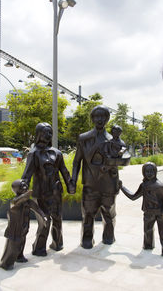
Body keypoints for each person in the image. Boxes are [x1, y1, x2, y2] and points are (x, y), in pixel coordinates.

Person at [72, 105, 121, 249]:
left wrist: (117, 182)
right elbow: (76, 162)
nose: (100, 119)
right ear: (92, 119)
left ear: (107, 119)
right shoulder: (84, 138)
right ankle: (87, 238)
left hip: (109, 183)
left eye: (103, 116)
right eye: (96, 116)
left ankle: (109, 236)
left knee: (109, 212)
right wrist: (73, 180)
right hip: (90, 183)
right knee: (88, 213)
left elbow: (119, 162)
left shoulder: (114, 139)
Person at [22, 122, 74, 256]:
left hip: (56, 191)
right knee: (45, 220)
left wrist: (70, 185)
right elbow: (27, 175)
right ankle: (39, 248)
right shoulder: (33, 154)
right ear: (39, 134)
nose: (49, 135)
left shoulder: (57, 153)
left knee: (58, 218)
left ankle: (57, 243)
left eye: (50, 132)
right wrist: (22, 190)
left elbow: (64, 171)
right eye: (45, 132)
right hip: (41, 193)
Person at [120, 162, 163, 258]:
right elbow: (133, 197)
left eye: (151, 171)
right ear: (143, 173)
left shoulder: (160, 186)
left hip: (160, 213)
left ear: (155, 172)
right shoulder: (143, 185)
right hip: (148, 212)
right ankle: (148, 245)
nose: (149, 173)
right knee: (147, 230)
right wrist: (122, 187)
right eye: (146, 171)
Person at [0, 179, 47, 270]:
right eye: (22, 186)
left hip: (24, 227)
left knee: (22, 242)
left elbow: (37, 209)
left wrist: (43, 217)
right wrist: (26, 195)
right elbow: (17, 201)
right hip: (15, 229)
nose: (25, 187)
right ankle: (6, 263)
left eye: (25, 185)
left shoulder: (28, 201)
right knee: (13, 246)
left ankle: (19, 257)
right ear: (17, 189)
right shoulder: (14, 202)